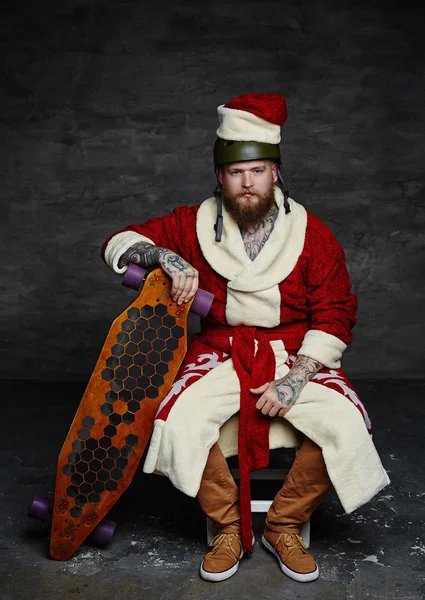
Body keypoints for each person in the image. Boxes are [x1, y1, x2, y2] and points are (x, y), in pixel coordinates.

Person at [101, 93, 389, 583]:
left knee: (347, 422)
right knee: (177, 419)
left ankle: (284, 525)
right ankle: (228, 526)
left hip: (295, 355)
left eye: (257, 170)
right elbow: (119, 242)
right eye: (237, 173)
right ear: (221, 177)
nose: (247, 182)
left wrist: (294, 381)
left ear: (275, 172)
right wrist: (164, 257)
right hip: (218, 351)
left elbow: (337, 313)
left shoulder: (312, 235)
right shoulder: (190, 226)